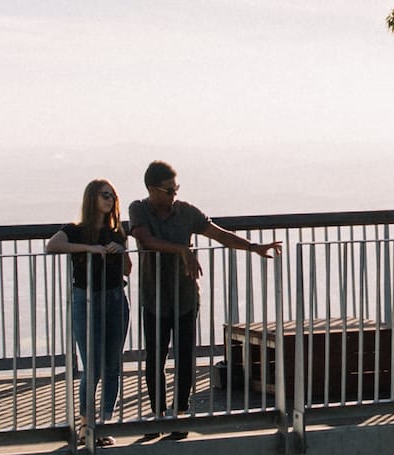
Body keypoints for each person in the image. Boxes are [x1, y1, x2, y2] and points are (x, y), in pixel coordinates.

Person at [130, 161, 280, 425]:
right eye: (168, 190)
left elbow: (219, 235)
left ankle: (180, 413)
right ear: (152, 189)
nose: (174, 194)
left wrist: (253, 247)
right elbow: (146, 240)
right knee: (156, 357)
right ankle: (157, 415)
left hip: (186, 295)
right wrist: (182, 249)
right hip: (155, 297)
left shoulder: (186, 212)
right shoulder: (139, 209)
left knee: (185, 355)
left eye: (176, 188)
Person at [51, 180, 130, 428]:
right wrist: (89, 249)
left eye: (113, 196)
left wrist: (122, 250)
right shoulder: (76, 230)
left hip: (116, 297)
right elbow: (53, 245)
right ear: (92, 198)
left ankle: (104, 422)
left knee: (112, 365)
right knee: (92, 366)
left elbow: (128, 269)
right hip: (86, 299)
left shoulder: (117, 232)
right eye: (105, 195)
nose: (110, 200)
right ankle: (87, 423)